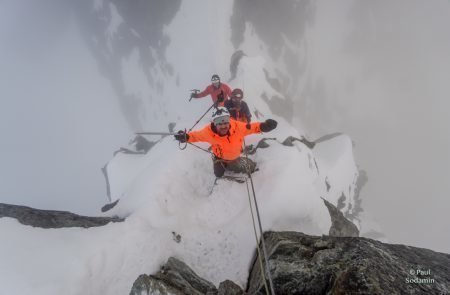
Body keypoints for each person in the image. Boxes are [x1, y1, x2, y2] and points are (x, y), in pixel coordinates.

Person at [174, 107, 277, 177]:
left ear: (229, 120)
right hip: (220, 158)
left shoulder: (238, 127)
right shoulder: (208, 132)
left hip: (235, 157)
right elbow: (195, 136)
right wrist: (185, 137)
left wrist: (265, 126)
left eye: (225, 122)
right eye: (219, 122)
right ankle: (223, 164)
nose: (223, 125)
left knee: (252, 168)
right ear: (214, 122)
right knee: (218, 174)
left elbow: (253, 127)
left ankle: (238, 163)